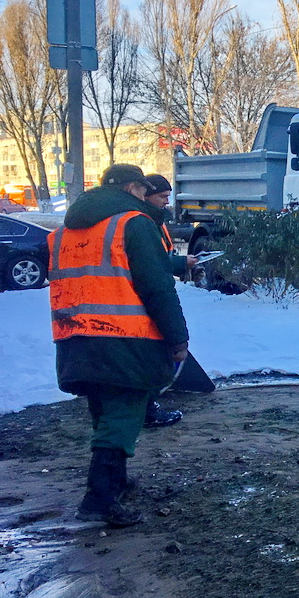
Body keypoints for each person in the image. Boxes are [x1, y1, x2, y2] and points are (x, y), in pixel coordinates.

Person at [49, 163, 190, 527]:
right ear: (132, 189)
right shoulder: (132, 224)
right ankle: (99, 498)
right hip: (124, 337)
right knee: (123, 414)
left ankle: (117, 481)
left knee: (103, 409)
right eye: (144, 192)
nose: (147, 198)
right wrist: (178, 338)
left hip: (75, 336)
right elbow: (157, 287)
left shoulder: (67, 230)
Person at [139, 174, 196, 429]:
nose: (167, 202)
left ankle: (144, 406)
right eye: (162, 197)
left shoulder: (153, 222)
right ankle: (146, 408)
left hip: (145, 304)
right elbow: (154, 268)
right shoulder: (140, 225)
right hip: (143, 307)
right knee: (151, 358)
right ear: (144, 195)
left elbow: (158, 260)